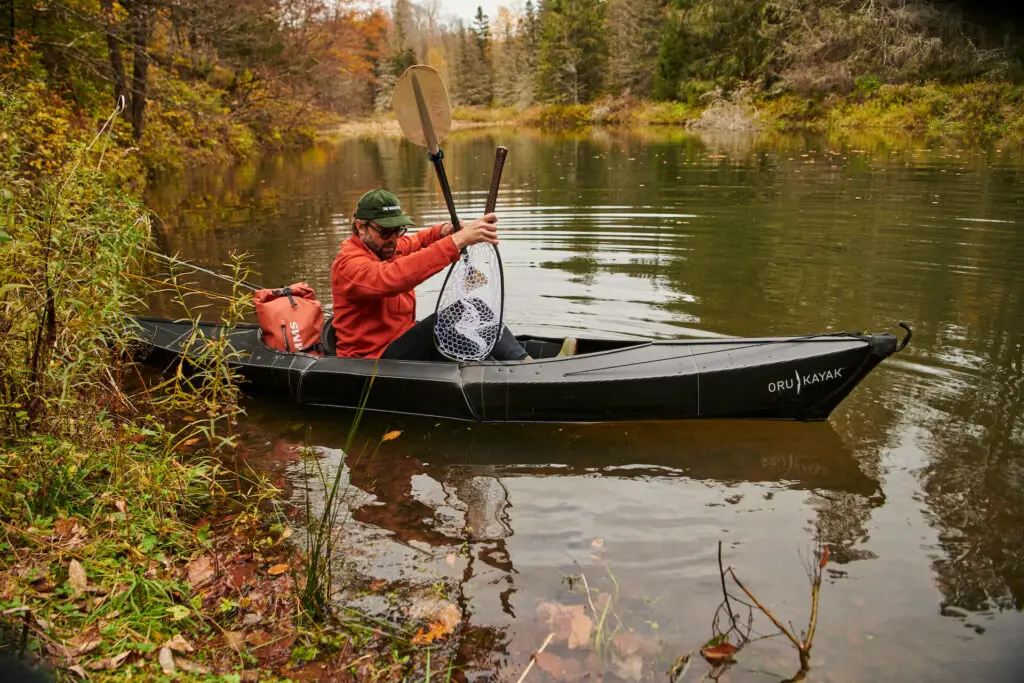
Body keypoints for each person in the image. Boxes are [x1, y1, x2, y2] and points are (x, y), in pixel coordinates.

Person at [331, 189, 576, 361]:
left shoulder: (386, 247)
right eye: (386, 232)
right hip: (372, 358)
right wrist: (457, 241)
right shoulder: (350, 265)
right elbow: (393, 278)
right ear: (360, 227)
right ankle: (526, 367)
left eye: (398, 230)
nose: (393, 239)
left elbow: (417, 241)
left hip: (401, 340)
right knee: (460, 312)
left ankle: (534, 357)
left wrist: (445, 231)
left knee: (472, 315)